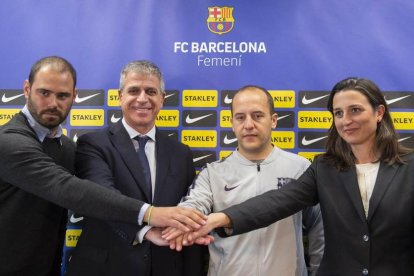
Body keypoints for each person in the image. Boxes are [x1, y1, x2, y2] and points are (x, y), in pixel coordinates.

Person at [184, 78, 414, 275]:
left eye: (355, 110)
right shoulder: (325, 168)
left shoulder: (410, 167)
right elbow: (277, 202)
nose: (346, 120)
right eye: (338, 113)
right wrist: (221, 218)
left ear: (379, 113)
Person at [0, 56, 206, 275]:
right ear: (26, 89)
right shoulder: (10, 141)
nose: (53, 103)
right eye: (44, 93)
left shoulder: (66, 146)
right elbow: (76, 191)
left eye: (62, 95)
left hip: (46, 264)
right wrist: (149, 216)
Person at [66, 60, 207, 276]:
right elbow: (102, 198)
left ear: (162, 99)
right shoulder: (92, 144)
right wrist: (147, 230)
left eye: (151, 91)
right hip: (106, 268)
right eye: (134, 91)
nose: (143, 99)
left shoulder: (181, 153)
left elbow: (186, 210)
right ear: (119, 96)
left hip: (167, 266)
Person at [165, 85, 324, 275]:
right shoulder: (213, 173)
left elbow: (320, 229)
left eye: (257, 116)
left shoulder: (300, 169)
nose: (249, 125)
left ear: (273, 120)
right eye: (240, 117)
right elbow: (193, 206)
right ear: (232, 123)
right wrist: (184, 221)